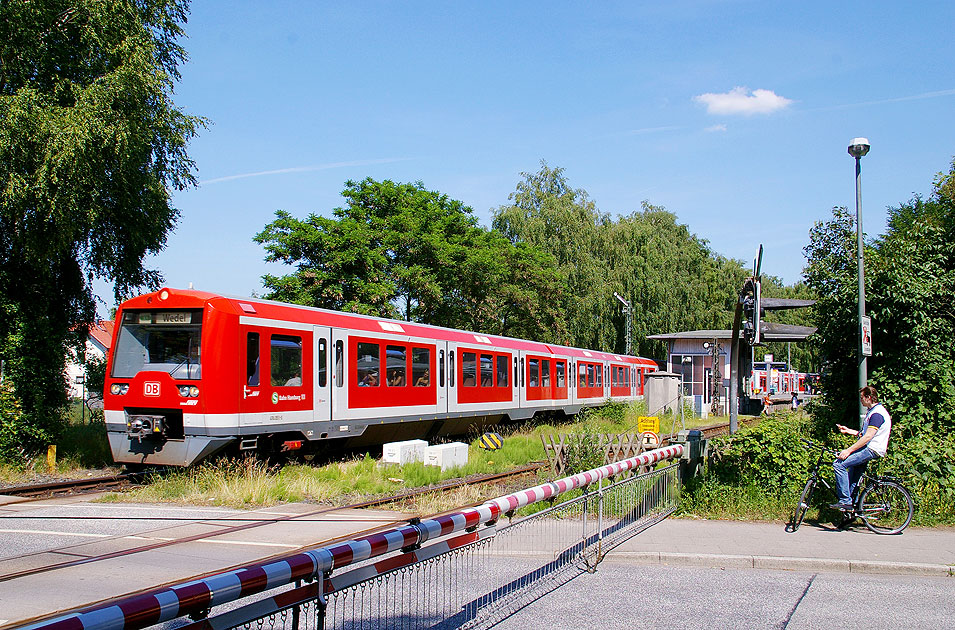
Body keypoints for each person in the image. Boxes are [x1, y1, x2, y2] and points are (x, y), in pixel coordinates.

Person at [830, 385, 892, 510]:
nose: (861, 400)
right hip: (871, 447)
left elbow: (868, 437)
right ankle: (853, 508)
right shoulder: (874, 412)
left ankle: (845, 501)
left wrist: (848, 450)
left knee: (839, 464)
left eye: (862, 397)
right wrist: (849, 431)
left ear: (868, 397)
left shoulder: (877, 414)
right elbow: (865, 434)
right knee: (853, 477)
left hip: (871, 449)